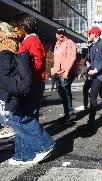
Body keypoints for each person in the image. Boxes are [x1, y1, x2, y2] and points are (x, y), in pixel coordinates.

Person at [6, 15, 54, 165]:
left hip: (32, 83)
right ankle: (23, 154)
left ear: (23, 27)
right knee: (25, 116)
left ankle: (44, 144)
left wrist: (22, 73)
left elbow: (37, 63)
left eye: (16, 27)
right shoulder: (28, 40)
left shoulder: (32, 41)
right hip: (31, 82)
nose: (14, 30)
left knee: (19, 117)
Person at [51, 27, 77, 121]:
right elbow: (57, 60)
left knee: (65, 93)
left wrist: (67, 71)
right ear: (56, 34)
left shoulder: (70, 43)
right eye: (59, 33)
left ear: (66, 34)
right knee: (62, 93)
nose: (61, 35)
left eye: (63, 33)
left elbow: (72, 58)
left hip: (66, 72)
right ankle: (68, 113)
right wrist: (54, 69)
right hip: (58, 73)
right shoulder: (57, 44)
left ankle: (70, 114)